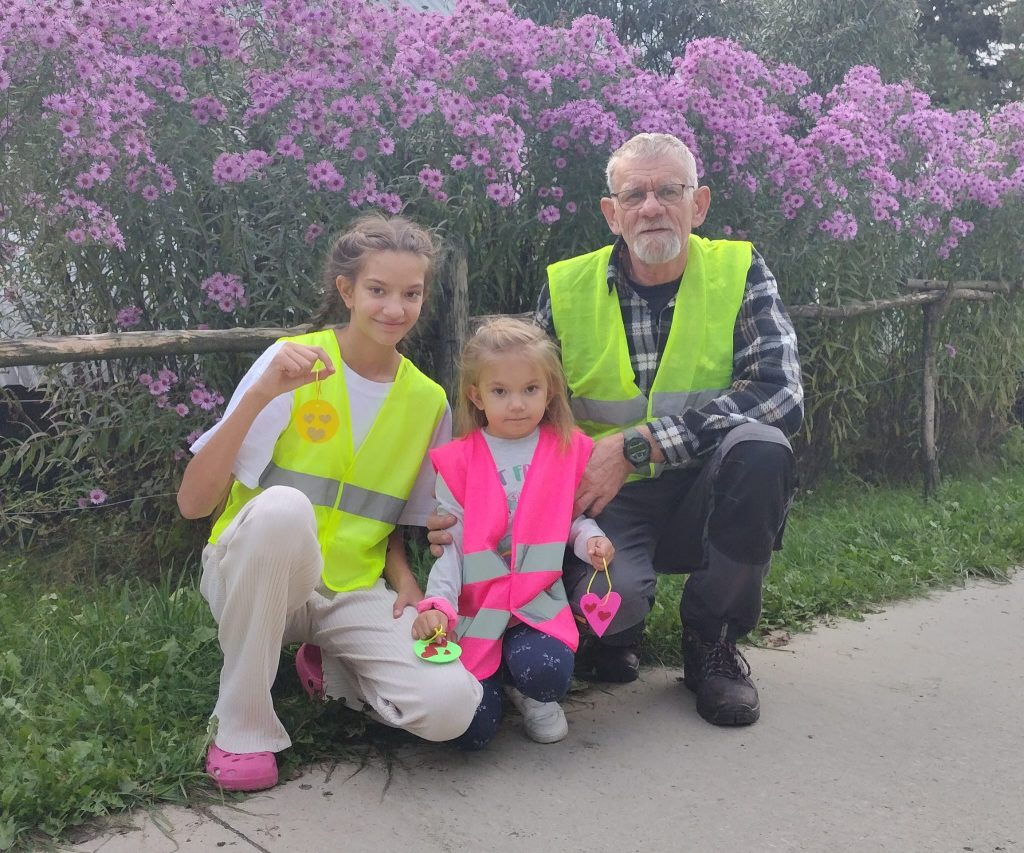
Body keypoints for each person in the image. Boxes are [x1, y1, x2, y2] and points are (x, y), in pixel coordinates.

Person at [428, 132, 803, 727]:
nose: (651, 207)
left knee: (763, 449)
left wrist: (642, 444)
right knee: (611, 605)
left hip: (704, 485)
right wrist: (472, 500)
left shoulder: (739, 269)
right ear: (612, 213)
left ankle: (712, 643)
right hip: (603, 499)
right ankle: (616, 633)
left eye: (669, 191)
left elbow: (780, 393)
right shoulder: (567, 287)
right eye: (634, 195)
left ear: (699, 204)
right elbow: (524, 404)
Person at [177, 214, 482, 791]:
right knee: (283, 508)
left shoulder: (428, 402)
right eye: (378, 290)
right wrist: (259, 396)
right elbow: (194, 503)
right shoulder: (289, 363)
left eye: (411, 293)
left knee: (451, 708)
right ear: (346, 290)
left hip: (351, 592)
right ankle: (241, 727)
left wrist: (407, 584)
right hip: (252, 579)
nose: (395, 308)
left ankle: (334, 670)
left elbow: (394, 523)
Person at [413, 318, 615, 749]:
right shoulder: (459, 461)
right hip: (478, 607)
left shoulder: (566, 448)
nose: (517, 404)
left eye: (530, 389)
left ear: (550, 391)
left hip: (536, 601)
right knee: (470, 735)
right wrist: (438, 604)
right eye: (500, 392)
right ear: (477, 396)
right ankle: (497, 682)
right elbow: (452, 544)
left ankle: (530, 690)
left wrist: (590, 540)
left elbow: (571, 517)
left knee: (546, 672)